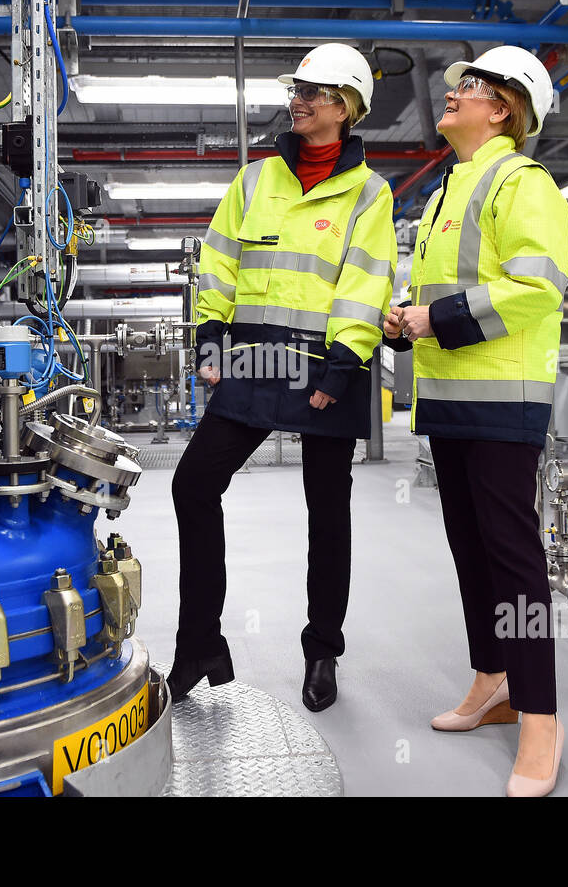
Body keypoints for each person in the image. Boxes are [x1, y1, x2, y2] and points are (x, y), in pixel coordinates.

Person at [168, 43, 397, 713]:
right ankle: (200, 644)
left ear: (347, 107)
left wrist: (345, 361)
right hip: (253, 356)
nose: (299, 100)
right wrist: (211, 334)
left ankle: (322, 648)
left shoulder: (370, 193)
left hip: (327, 363)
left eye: (315, 93)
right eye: (298, 89)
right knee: (193, 483)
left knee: (327, 511)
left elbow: (365, 279)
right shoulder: (255, 179)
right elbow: (220, 258)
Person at [383, 46, 568, 796]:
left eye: (468, 87)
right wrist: (406, 319)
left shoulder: (523, 182)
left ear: (502, 107)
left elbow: (537, 287)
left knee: (515, 560)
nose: (451, 95)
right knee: (472, 551)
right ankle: (492, 679)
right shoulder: (446, 193)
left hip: (503, 399)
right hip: (451, 399)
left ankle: (542, 715)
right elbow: (439, 289)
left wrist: (438, 315)